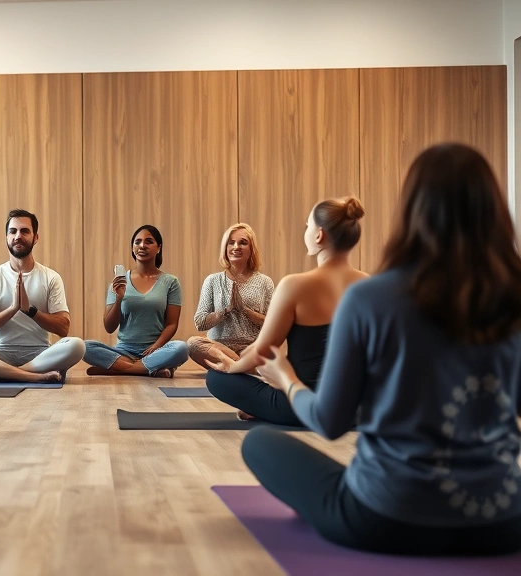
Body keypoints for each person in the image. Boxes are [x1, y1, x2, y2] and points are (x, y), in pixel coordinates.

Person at [247, 143, 521, 555]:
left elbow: (328, 421)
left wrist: (286, 378)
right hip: (502, 523)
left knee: (259, 443)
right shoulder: (513, 297)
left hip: (386, 518)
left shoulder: (371, 298)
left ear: (413, 210)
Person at [204, 197, 368, 424]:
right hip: (355, 409)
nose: (306, 231)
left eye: (308, 226)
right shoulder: (369, 286)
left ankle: (263, 409)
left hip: (300, 406)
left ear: (319, 235)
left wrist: (232, 367)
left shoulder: (295, 285)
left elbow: (262, 351)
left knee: (216, 378)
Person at [0, 209, 85, 382]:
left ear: (36, 237)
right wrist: (13, 308)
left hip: (38, 355)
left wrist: (30, 311)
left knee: (77, 345)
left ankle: (5, 374)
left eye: (24, 231)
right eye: (12, 231)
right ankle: (31, 376)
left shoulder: (51, 277)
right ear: (6, 237)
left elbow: (63, 328)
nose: (18, 236)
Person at [83, 225, 188, 377]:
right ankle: (148, 370)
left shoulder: (171, 282)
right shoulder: (119, 282)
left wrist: (155, 348)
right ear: (132, 248)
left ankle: (119, 369)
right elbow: (109, 327)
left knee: (182, 348)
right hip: (123, 351)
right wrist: (119, 298)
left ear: (158, 248)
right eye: (137, 242)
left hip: (155, 350)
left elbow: (171, 324)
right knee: (84, 347)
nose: (142, 246)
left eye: (148, 241)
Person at [187, 223, 274, 370]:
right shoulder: (213, 280)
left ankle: (234, 367)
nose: (236, 247)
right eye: (231, 243)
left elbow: (273, 324)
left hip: (251, 348)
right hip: (219, 348)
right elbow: (200, 322)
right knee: (192, 343)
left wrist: (245, 311)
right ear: (225, 248)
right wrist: (225, 311)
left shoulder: (265, 282)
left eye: (243, 243)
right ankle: (242, 367)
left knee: (270, 352)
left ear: (251, 249)